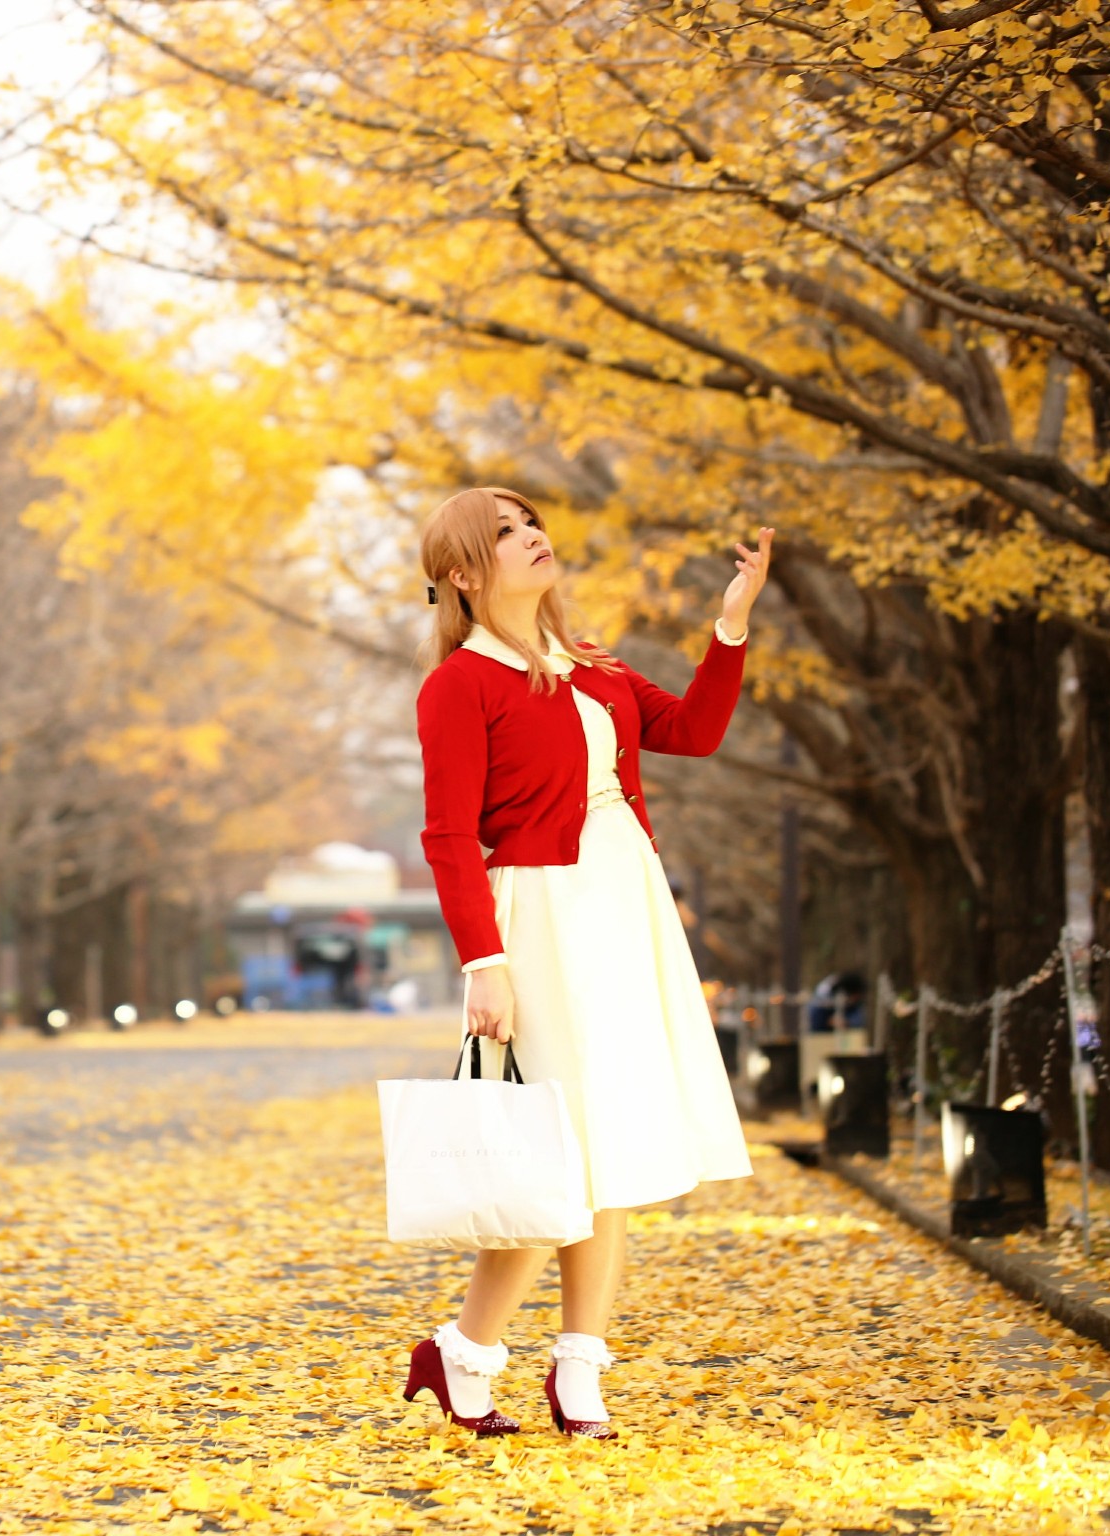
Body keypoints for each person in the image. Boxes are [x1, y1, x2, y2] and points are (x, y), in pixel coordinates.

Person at [400, 487, 772, 1439]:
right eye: (507, 533)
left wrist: (730, 626)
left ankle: (577, 1373)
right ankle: (466, 1350)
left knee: (605, 1150)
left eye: (532, 524)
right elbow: (447, 837)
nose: (534, 538)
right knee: (557, 1151)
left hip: (624, 908)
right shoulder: (459, 686)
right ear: (462, 574)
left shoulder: (596, 669)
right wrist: (484, 959)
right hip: (539, 921)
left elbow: (694, 731)